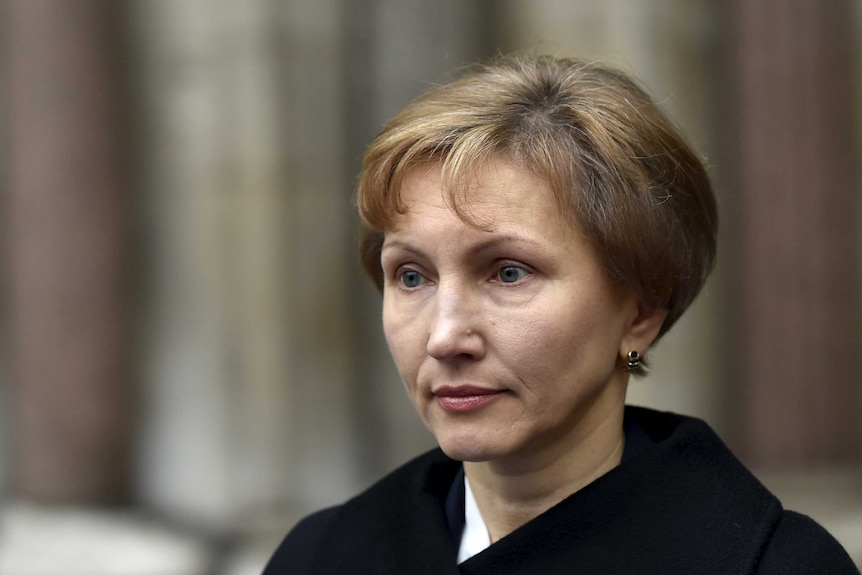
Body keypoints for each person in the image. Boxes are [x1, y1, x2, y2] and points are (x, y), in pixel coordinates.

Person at [264, 55, 859, 574]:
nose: (444, 337)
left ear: (640, 314)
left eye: (508, 272)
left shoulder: (771, 566)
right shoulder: (323, 555)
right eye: (412, 276)